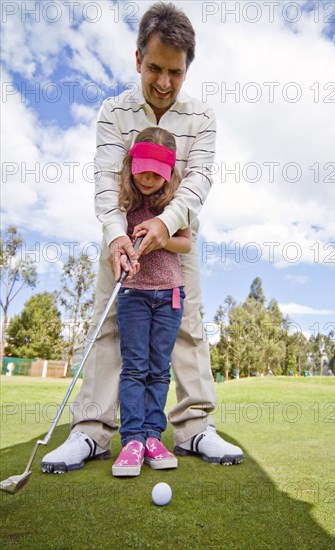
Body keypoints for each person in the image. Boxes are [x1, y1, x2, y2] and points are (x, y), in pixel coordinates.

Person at [42, 2, 243, 474]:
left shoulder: (202, 117)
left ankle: (194, 428)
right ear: (138, 60)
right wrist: (116, 237)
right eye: (154, 68)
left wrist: (166, 222)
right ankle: (91, 432)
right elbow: (104, 181)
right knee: (108, 324)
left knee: (189, 327)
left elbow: (199, 181)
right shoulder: (113, 112)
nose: (164, 82)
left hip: (175, 238)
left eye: (175, 71)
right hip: (122, 235)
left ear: (187, 68)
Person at [113, 126, 191, 477]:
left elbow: (186, 244)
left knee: (159, 370)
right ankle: (131, 439)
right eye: (142, 168)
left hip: (170, 294)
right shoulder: (123, 203)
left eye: (157, 173)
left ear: (169, 174)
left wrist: (160, 236)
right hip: (134, 295)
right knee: (134, 368)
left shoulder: (174, 205)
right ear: (131, 164)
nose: (147, 178)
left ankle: (151, 437)